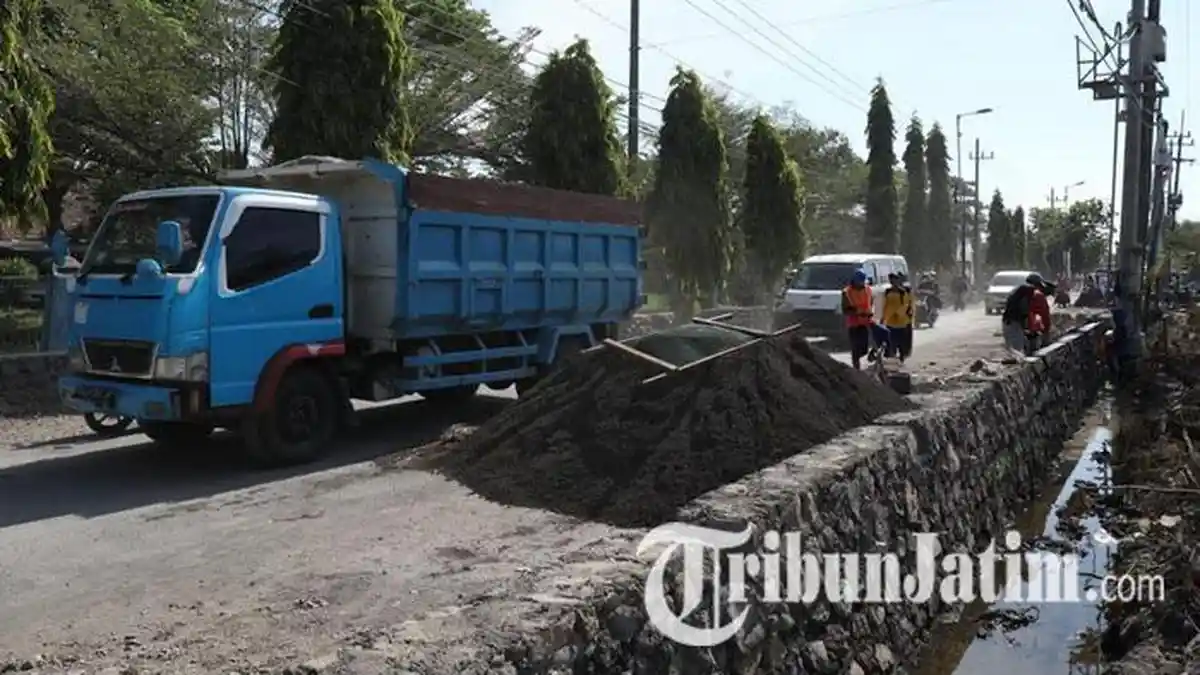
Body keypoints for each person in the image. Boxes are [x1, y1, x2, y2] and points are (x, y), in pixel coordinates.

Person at [1001, 273, 1052, 354]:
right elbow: (1039, 314)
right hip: (1014, 323)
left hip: (1009, 322)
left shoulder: (1020, 290)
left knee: (1014, 349)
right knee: (1017, 351)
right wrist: (1045, 331)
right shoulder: (1031, 293)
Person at [841, 270, 874, 369]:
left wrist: (868, 313)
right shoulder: (847, 292)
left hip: (865, 323)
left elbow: (870, 302)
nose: (862, 283)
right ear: (854, 281)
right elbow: (845, 310)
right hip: (853, 324)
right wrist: (858, 313)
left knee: (864, 348)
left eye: (863, 281)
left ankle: (860, 360)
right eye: (860, 281)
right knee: (855, 348)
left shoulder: (868, 289)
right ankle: (856, 368)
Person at [882, 272, 914, 363]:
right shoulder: (888, 291)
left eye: (895, 279)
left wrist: (900, 314)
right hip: (890, 322)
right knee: (891, 344)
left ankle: (901, 360)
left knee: (902, 345)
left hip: (902, 322)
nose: (893, 282)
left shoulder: (904, 291)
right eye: (891, 280)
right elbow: (885, 305)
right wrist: (883, 318)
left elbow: (907, 305)